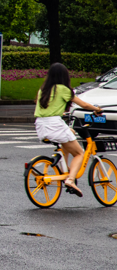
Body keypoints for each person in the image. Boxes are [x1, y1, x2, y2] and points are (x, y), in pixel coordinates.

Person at [34, 63, 102, 197]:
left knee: (67, 136)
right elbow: (83, 104)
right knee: (79, 153)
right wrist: (96, 109)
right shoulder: (64, 89)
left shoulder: (43, 90)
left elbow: (47, 108)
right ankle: (71, 180)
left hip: (40, 125)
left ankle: (64, 170)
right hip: (54, 124)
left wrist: (61, 113)